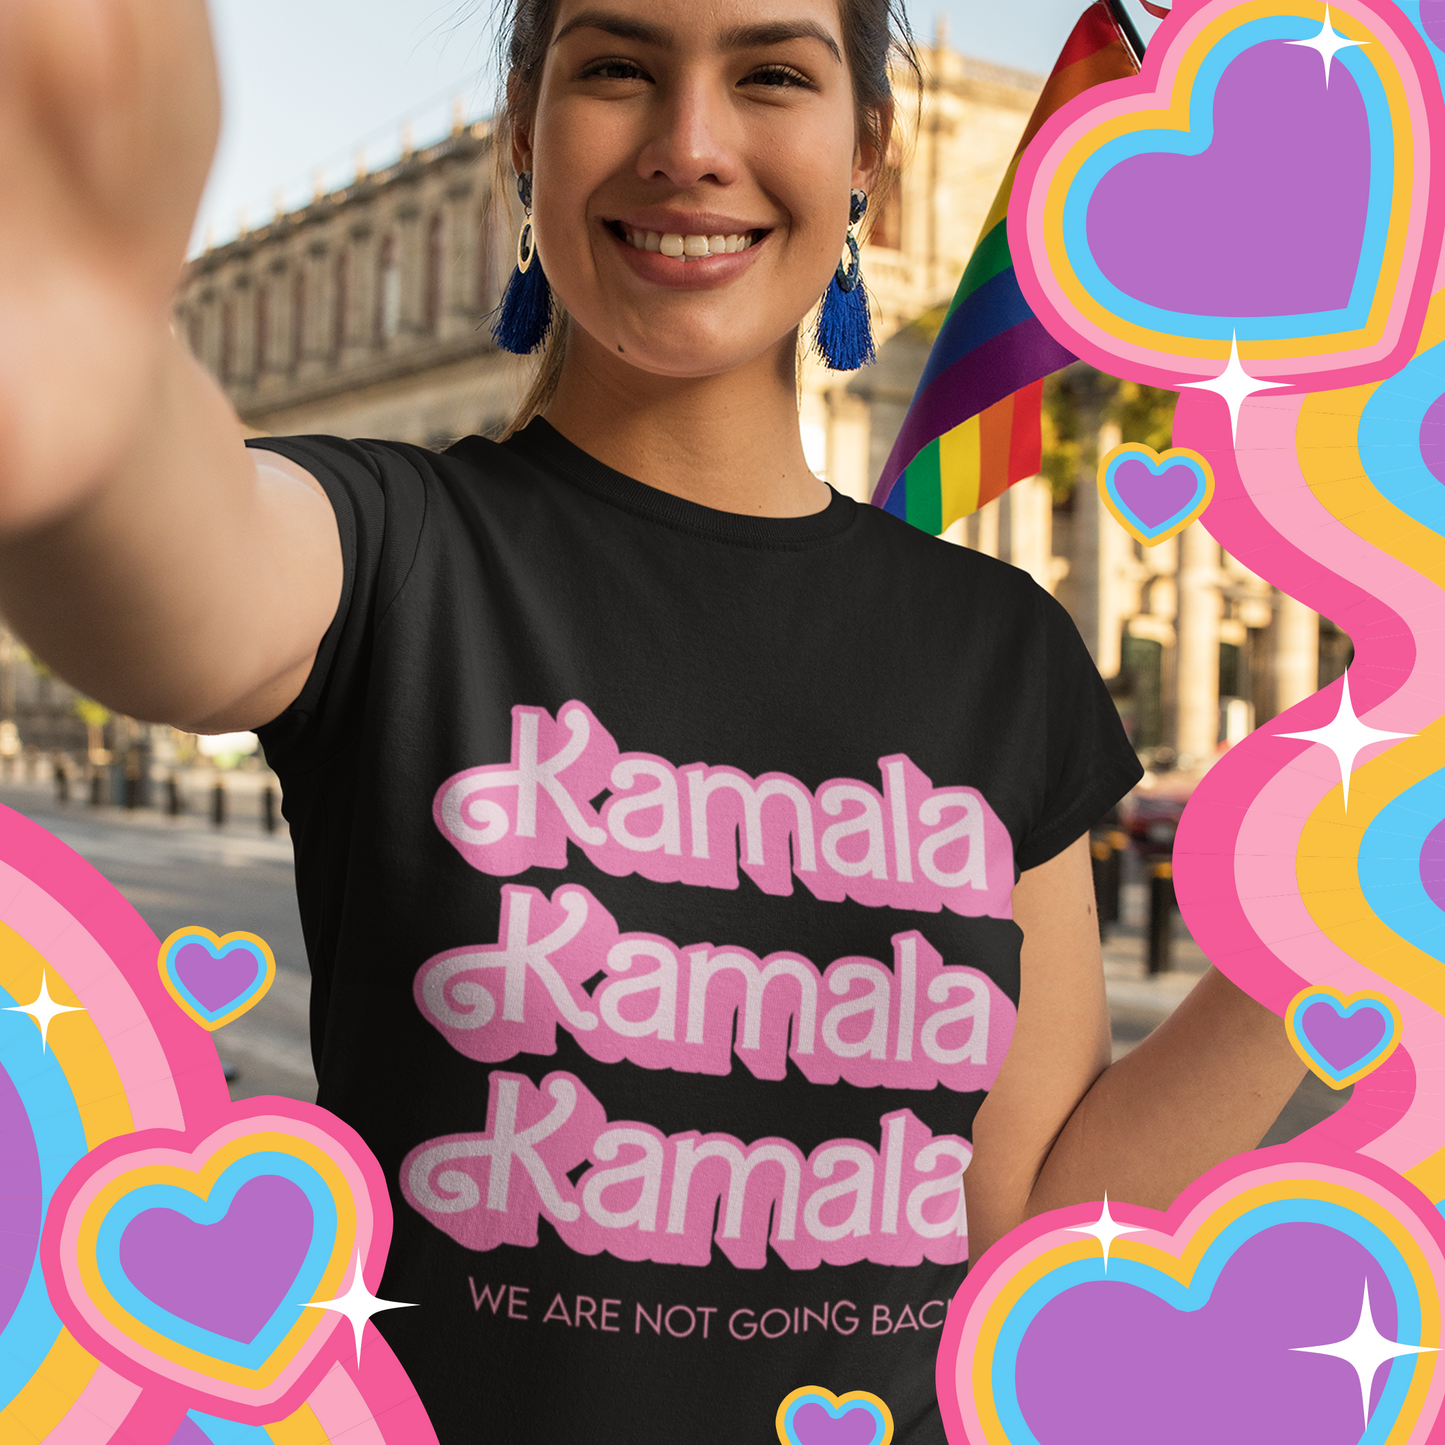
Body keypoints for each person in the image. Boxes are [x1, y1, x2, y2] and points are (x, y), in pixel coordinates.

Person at [0, 0, 1307, 1439]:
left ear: (869, 149)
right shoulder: (400, 551)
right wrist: (84, 348)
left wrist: (1345, 902)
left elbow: (1034, 1235)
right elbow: (170, 569)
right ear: (524, 130)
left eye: (771, 75)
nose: (691, 146)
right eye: (617, 68)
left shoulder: (1006, 652)